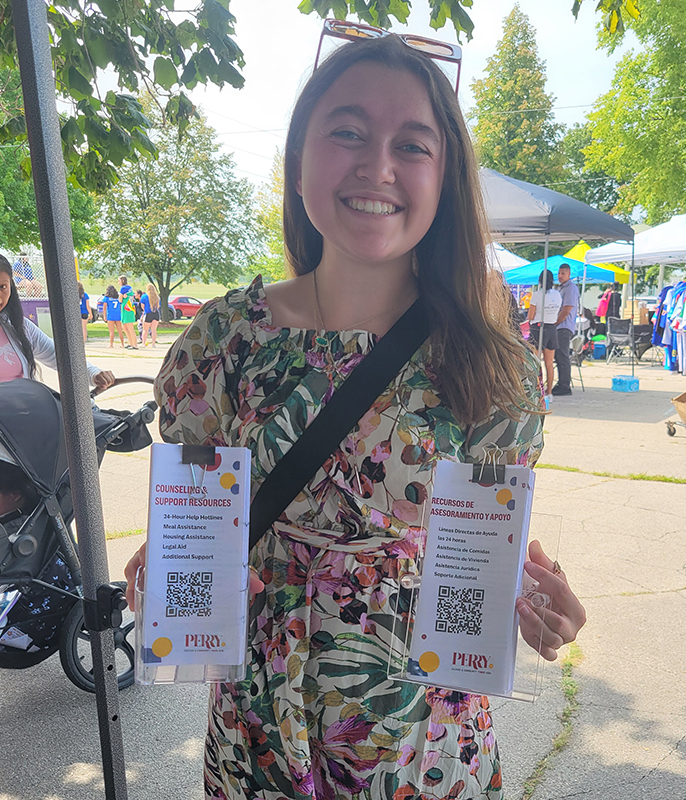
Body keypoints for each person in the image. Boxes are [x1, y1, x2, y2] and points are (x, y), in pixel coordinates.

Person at [125, 29, 585, 800]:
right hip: (258, 730)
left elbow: (482, 557)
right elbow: (200, 528)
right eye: (347, 132)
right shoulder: (223, 342)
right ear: (300, 158)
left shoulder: (492, 366)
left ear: (446, 179)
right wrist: (170, 569)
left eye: (413, 144)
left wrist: (538, 605)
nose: (377, 166)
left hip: (420, 741)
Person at [0, 255, 114, 388]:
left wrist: (93, 373)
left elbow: (60, 357)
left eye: (3, 287)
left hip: (23, 408)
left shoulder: (20, 327)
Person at [527, 269, 562, 398]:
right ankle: (549, 392)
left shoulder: (537, 295)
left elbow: (530, 316)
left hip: (538, 328)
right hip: (552, 327)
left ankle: (537, 390)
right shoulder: (557, 295)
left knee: (535, 362)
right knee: (549, 364)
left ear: (540, 280)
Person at [552, 264, 580, 396]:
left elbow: (566, 309)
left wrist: (555, 322)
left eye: (563, 273)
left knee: (562, 355)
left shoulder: (570, 288)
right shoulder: (560, 288)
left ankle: (564, 385)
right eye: (559, 273)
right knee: (558, 355)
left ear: (569, 274)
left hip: (563, 326)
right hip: (559, 326)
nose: (560, 276)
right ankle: (561, 382)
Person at [97, 285, 124, 349]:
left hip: (110, 315)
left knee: (111, 331)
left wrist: (104, 316)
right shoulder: (117, 297)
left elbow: (105, 308)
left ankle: (111, 344)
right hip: (118, 314)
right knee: (120, 330)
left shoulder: (106, 298)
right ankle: (122, 344)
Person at [118, 275, 138, 349]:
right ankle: (131, 343)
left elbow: (120, 300)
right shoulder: (129, 288)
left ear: (122, 281)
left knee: (129, 327)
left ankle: (134, 344)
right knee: (125, 327)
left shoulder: (123, 288)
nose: (118, 282)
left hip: (127, 309)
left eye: (119, 281)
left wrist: (122, 296)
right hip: (127, 309)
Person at [141, 283, 160, 347]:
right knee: (154, 329)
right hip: (156, 313)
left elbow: (142, 306)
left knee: (145, 330)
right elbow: (158, 306)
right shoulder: (157, 297)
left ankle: (143, 343)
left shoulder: (144, 296)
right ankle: (153, 344)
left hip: (148, 313)